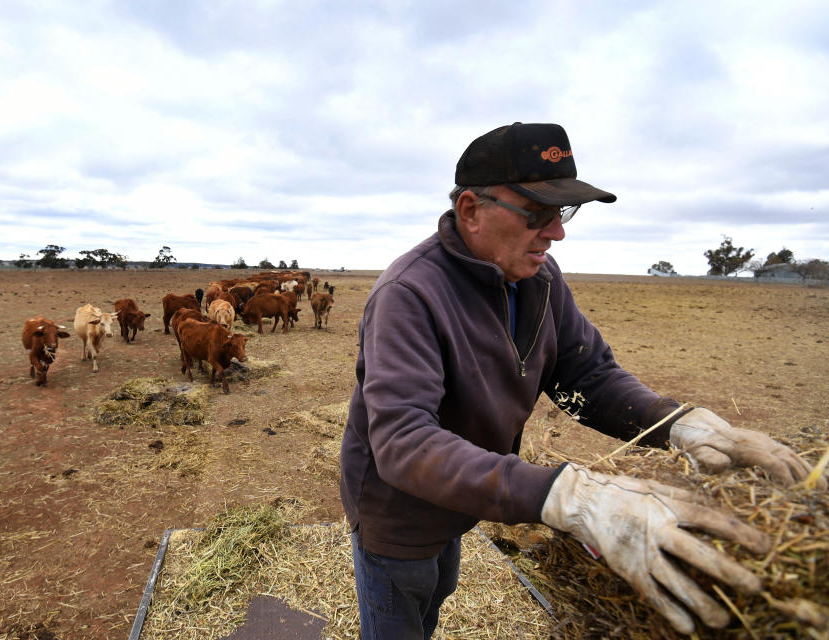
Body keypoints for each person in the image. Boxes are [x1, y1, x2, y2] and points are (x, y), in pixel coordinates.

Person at [339, 122, 825, 639]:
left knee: (438, 589)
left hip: (464, 493)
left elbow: (587, 374)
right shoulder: (410, 293)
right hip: (399, 510)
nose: (557, 232)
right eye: (537, 214)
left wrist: (681, 426)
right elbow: (403, 442)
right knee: (404, 611)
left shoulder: (539, 279)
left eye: (563, 213)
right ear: (470, 211)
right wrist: (569, 496)